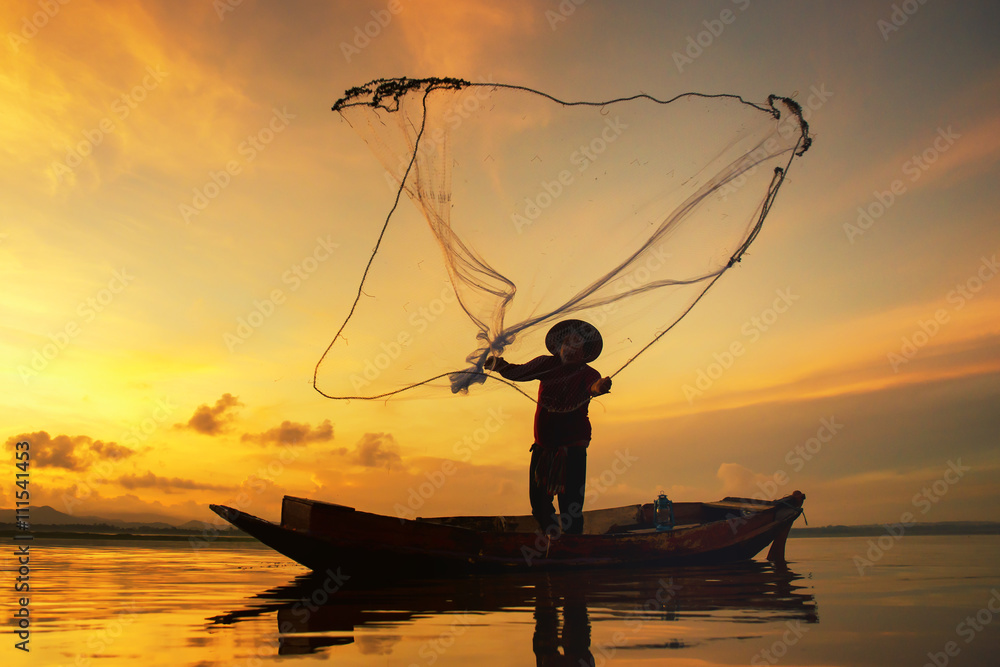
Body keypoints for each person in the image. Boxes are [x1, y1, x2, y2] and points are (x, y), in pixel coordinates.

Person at [485, 319, 612, 535]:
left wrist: (601, 387)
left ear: (584, 351)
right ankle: (553, 540)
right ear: (559, 346)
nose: (570, 349)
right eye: (567, 343)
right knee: (539, 503)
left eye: (577, 345)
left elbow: (594, 386)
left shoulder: (587, 372)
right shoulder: (546, 364)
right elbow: (519, 372)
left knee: (570, 505)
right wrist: (499, 365)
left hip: (572, 448)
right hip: (543, 446)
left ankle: (573, 549)